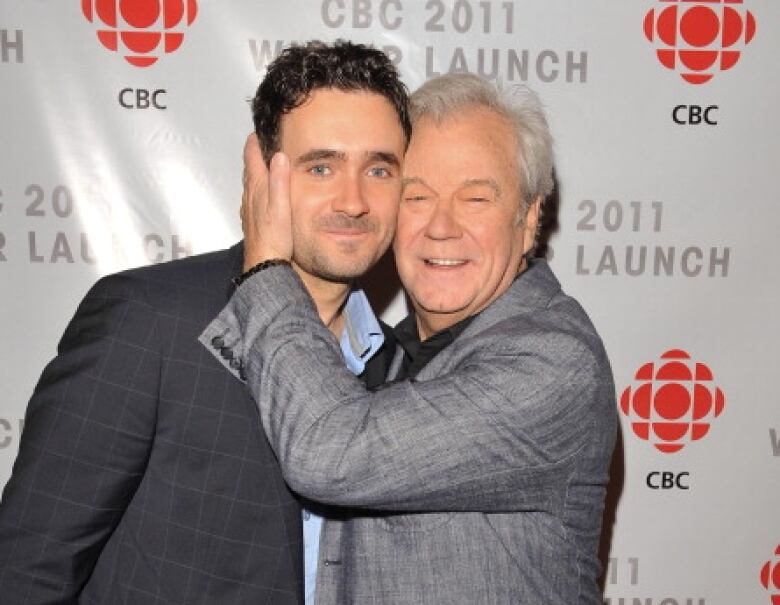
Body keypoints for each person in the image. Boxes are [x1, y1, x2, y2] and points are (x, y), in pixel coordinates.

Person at [0, 40, 410, 604]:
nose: (355, 200)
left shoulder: (402, 368)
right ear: (264, 171)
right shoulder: (149, 321)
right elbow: (28, 570)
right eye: (322, 166)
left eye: (379, 169)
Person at [202, 73, 618, 604]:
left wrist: (267, 268)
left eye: (475, 199)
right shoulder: (382, 353)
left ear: (530, 217)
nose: (441, 227)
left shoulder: (554, 364)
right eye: (417, 196)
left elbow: (330, 455)